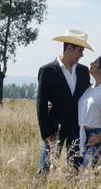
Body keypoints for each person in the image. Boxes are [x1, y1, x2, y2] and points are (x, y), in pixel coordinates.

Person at [36, 28, 92, 174]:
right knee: (45, 168)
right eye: (80, 50)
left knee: (75, 169)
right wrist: (46, 133)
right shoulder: (48, 70)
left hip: (77, 128)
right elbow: (41, 105)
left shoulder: (83, 72)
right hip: (54, 129)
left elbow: (87, 98)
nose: (82, 54)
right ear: (69, 48)